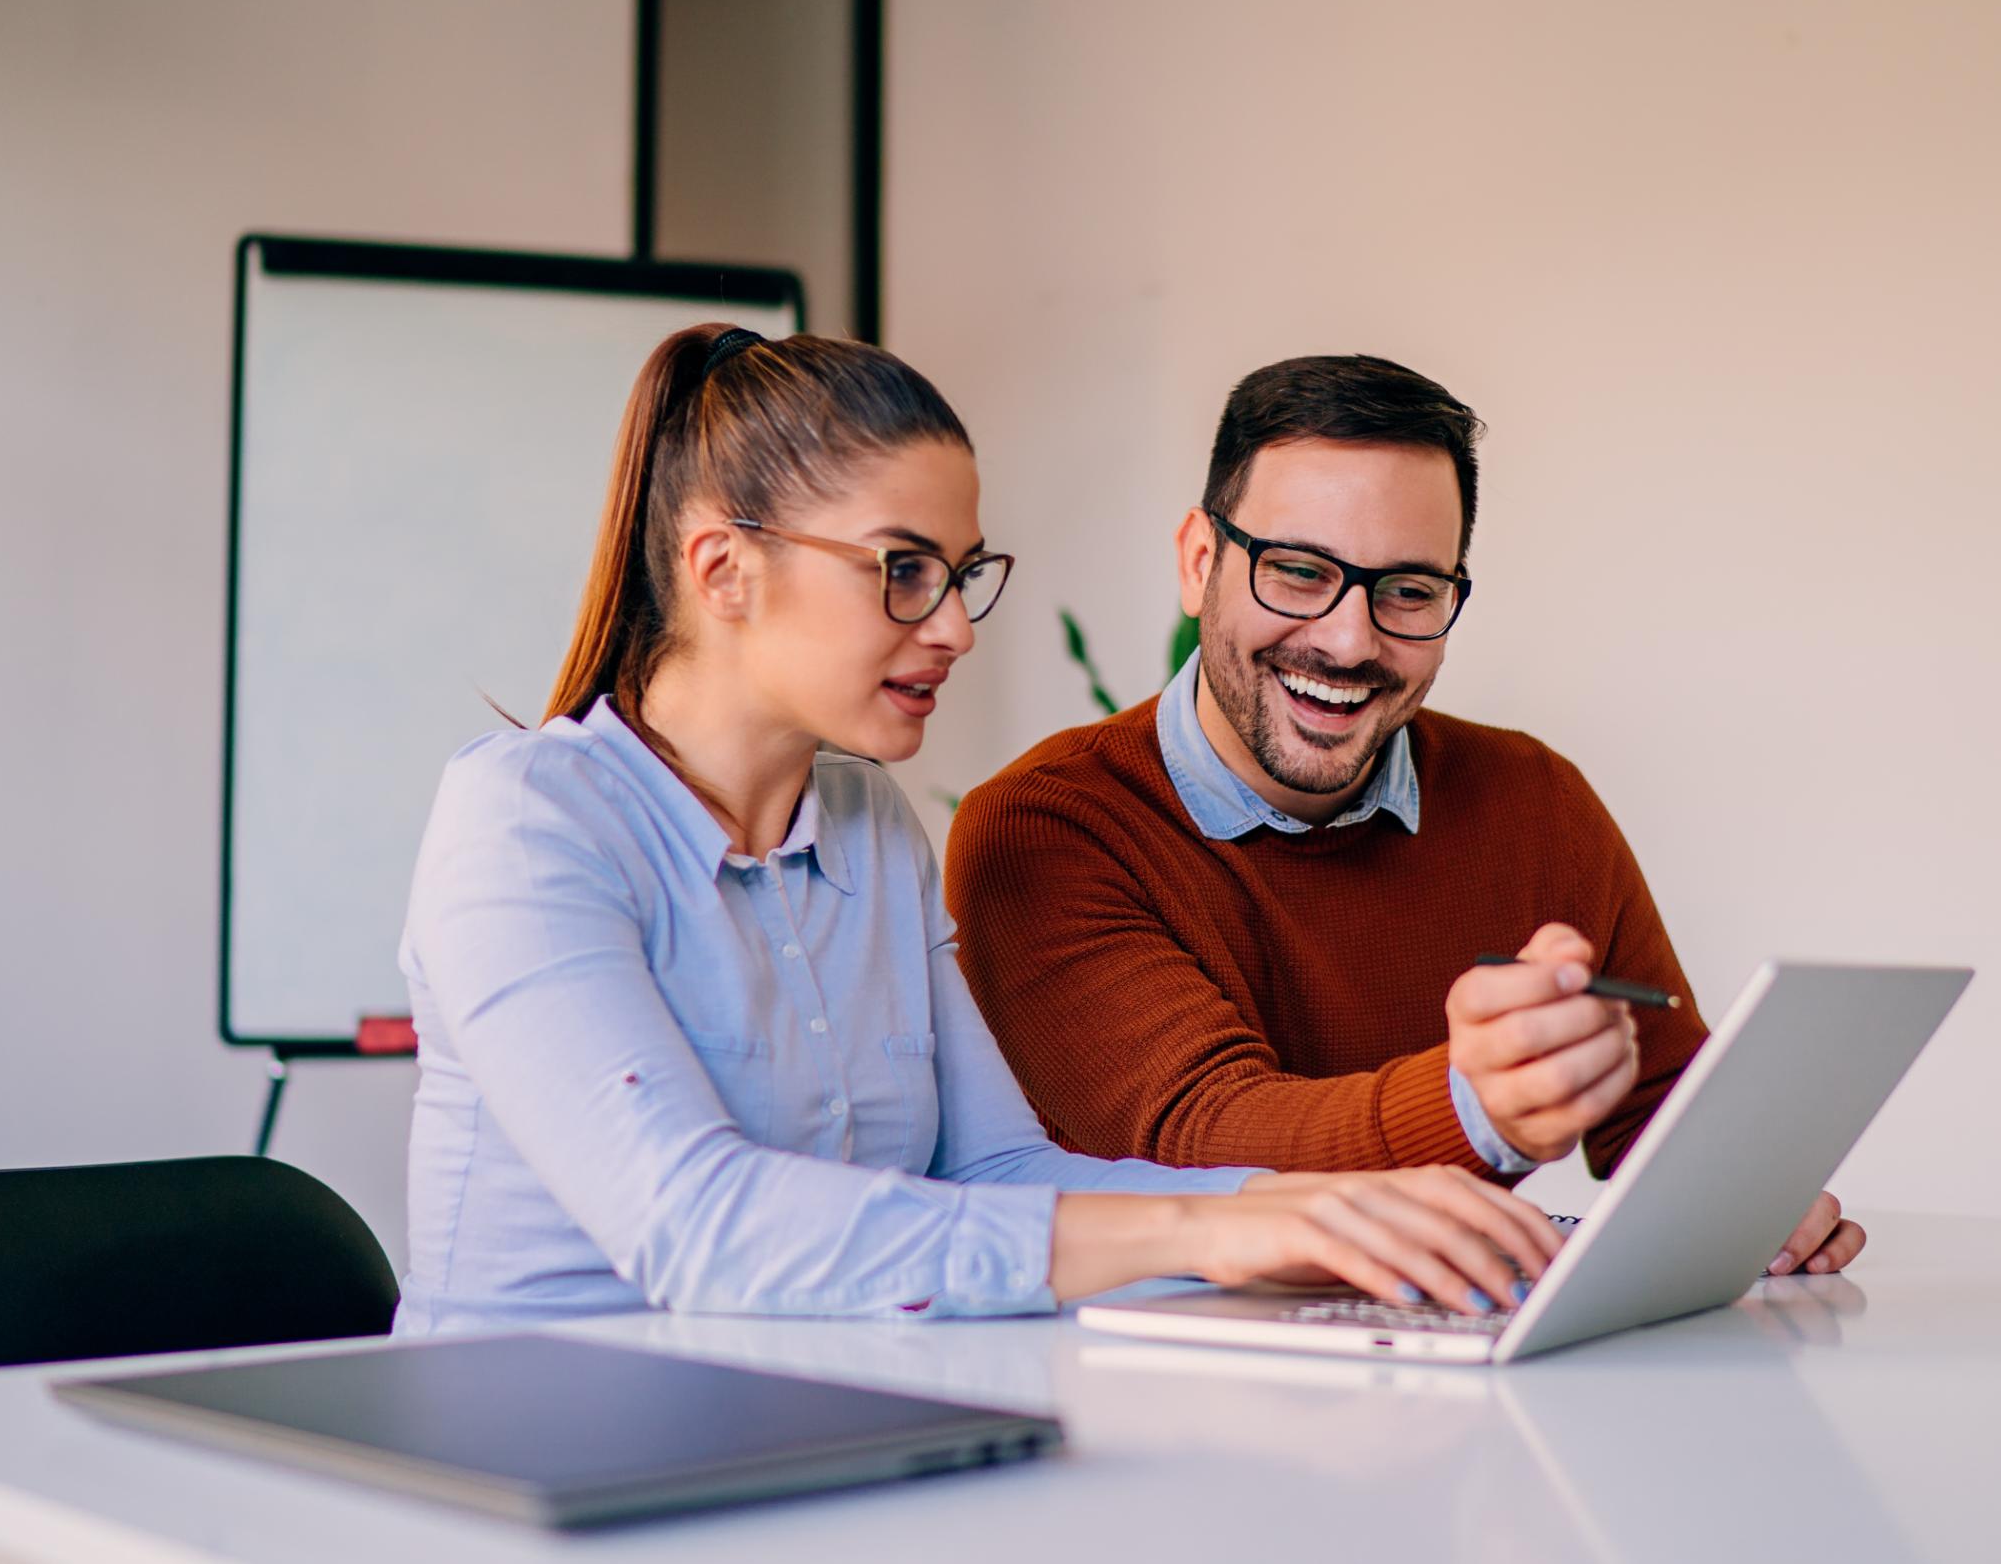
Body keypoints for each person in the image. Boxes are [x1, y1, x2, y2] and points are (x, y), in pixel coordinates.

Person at [392, 328, 1565, 1337]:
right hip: (528, 1469)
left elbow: (998, 1168)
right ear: (721, 569)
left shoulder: (863, 827)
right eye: (903, 570)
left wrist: (1324, 1216)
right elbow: (697, 1225)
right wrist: (1226, 1220)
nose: (953, 626)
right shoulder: (525, 823)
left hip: (801, 1430)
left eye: (961, 573)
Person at [945, 355, 1863, 1278]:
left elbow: (1655, 1101)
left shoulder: (1536, 801)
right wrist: (1474, 1107)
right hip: (1175, 1382)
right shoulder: (1045, 831)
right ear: (1199, 561)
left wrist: (1744, 1192)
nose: (1349, 639)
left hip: (1467, 1380)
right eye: (1299, 571)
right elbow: (1202, 1139)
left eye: (1410, 591)